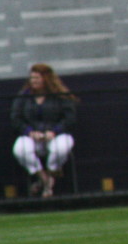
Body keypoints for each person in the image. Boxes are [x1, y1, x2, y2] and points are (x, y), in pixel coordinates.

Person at [10, 63, 79, 198]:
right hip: (32, 136)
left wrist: (54, 131)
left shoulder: (59, 95)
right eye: (32, 78)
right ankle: (45, 179)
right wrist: (29, 132)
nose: (33, 81)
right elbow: (16, 118)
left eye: (37, 78)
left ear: (46, 79)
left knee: (61, 148)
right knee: (20, 149)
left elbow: (70, 118)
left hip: (55, 135)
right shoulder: (24, 96)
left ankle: (51, 171)